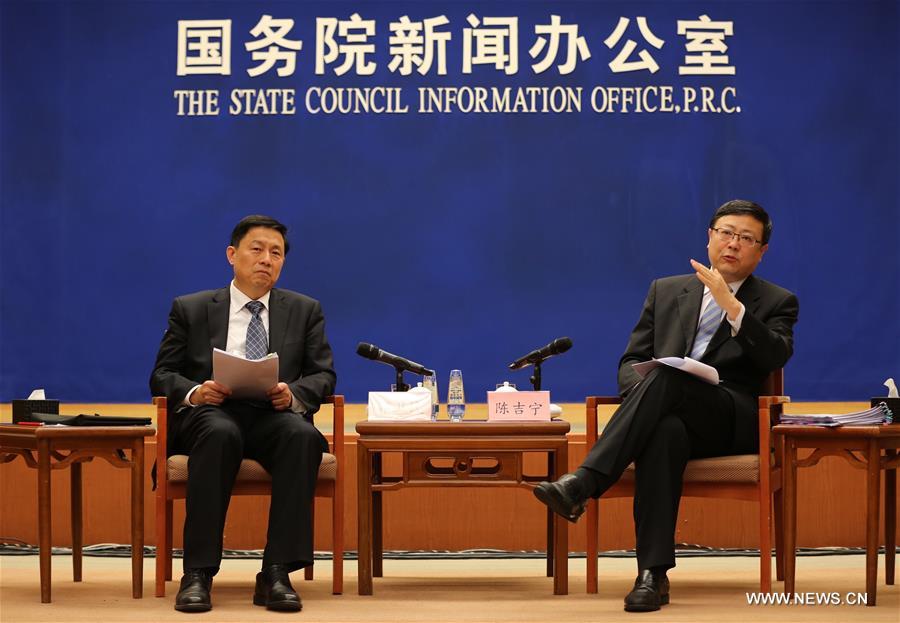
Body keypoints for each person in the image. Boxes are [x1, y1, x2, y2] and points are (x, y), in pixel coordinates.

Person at [534, 200, 799, 612]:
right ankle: (651, 576)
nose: (733, 244)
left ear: (761, 252)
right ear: (709, 236)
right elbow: (629, 364)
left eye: (746, 238)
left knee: (669, 377)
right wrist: (650, 390)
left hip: (730, 420)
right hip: (670, 414)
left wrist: (732, 306)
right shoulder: (667, 290)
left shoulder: (777, 301)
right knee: (663, 429)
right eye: (726, 233)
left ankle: (584, 483)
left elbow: (775, 356)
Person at [150, 215, 336, 613]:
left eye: (276, 253)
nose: (266, 259)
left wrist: (294, 393)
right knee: (220, 433)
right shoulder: (192, 308)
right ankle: (197, 573)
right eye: (257, 249)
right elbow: (162, 375)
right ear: (232, 255)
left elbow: (323, 375)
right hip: (211, 415)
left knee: (301, 437)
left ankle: (275, 571)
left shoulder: (305, 310)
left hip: (273, 415)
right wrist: (197, 391)